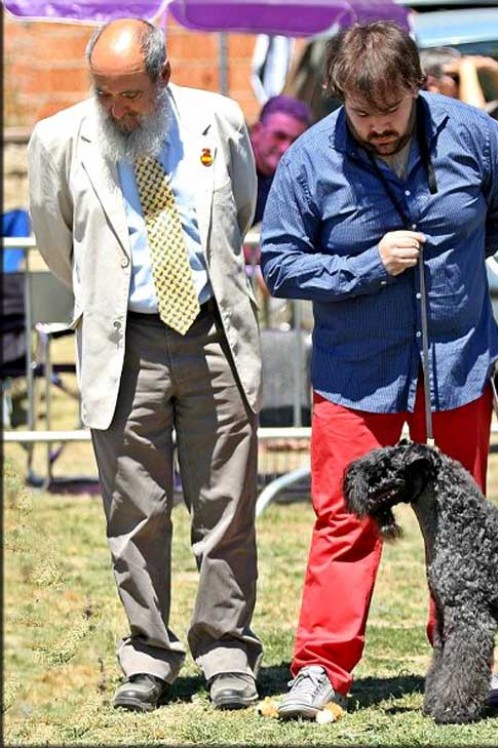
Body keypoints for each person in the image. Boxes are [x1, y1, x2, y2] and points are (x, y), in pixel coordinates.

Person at [259, 20, 498, 719]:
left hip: (457, 366)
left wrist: (458, 263)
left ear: (418, 86)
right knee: (346, 519)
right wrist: (367, 266)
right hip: (357, 377)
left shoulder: (474, 137)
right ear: (337, 94)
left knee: (461, 526)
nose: (379, 127)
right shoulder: (309, 160)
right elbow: (282, 264)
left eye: (391, 112)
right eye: (362, 114)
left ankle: (469, 665)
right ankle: (320, 671)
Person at [27, 18, 263, 712]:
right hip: (125, 341)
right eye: (105, 92)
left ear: (162, 77)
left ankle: (225, 651)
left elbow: (240, 210)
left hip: (213, 336)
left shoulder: (219, 120)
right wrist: (108, 301)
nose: (117, 108)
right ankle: (148, 656)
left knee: (226, 505)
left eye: (130, 93)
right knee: (136, 510)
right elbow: (56, 238)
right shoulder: (60, 138)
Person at [250, 95, 312, 228]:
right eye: (279, 136)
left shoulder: (300, 183)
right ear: (256, 131)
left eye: (295, 141)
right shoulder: (232, 174)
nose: (286, 148)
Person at [420, 46, 498, 124]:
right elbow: (476, 122)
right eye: (460, 78)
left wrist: (495, 68)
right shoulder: (429, 118)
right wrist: (467, 68)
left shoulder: (465, 111)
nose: (467, 84)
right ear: (433, 85)